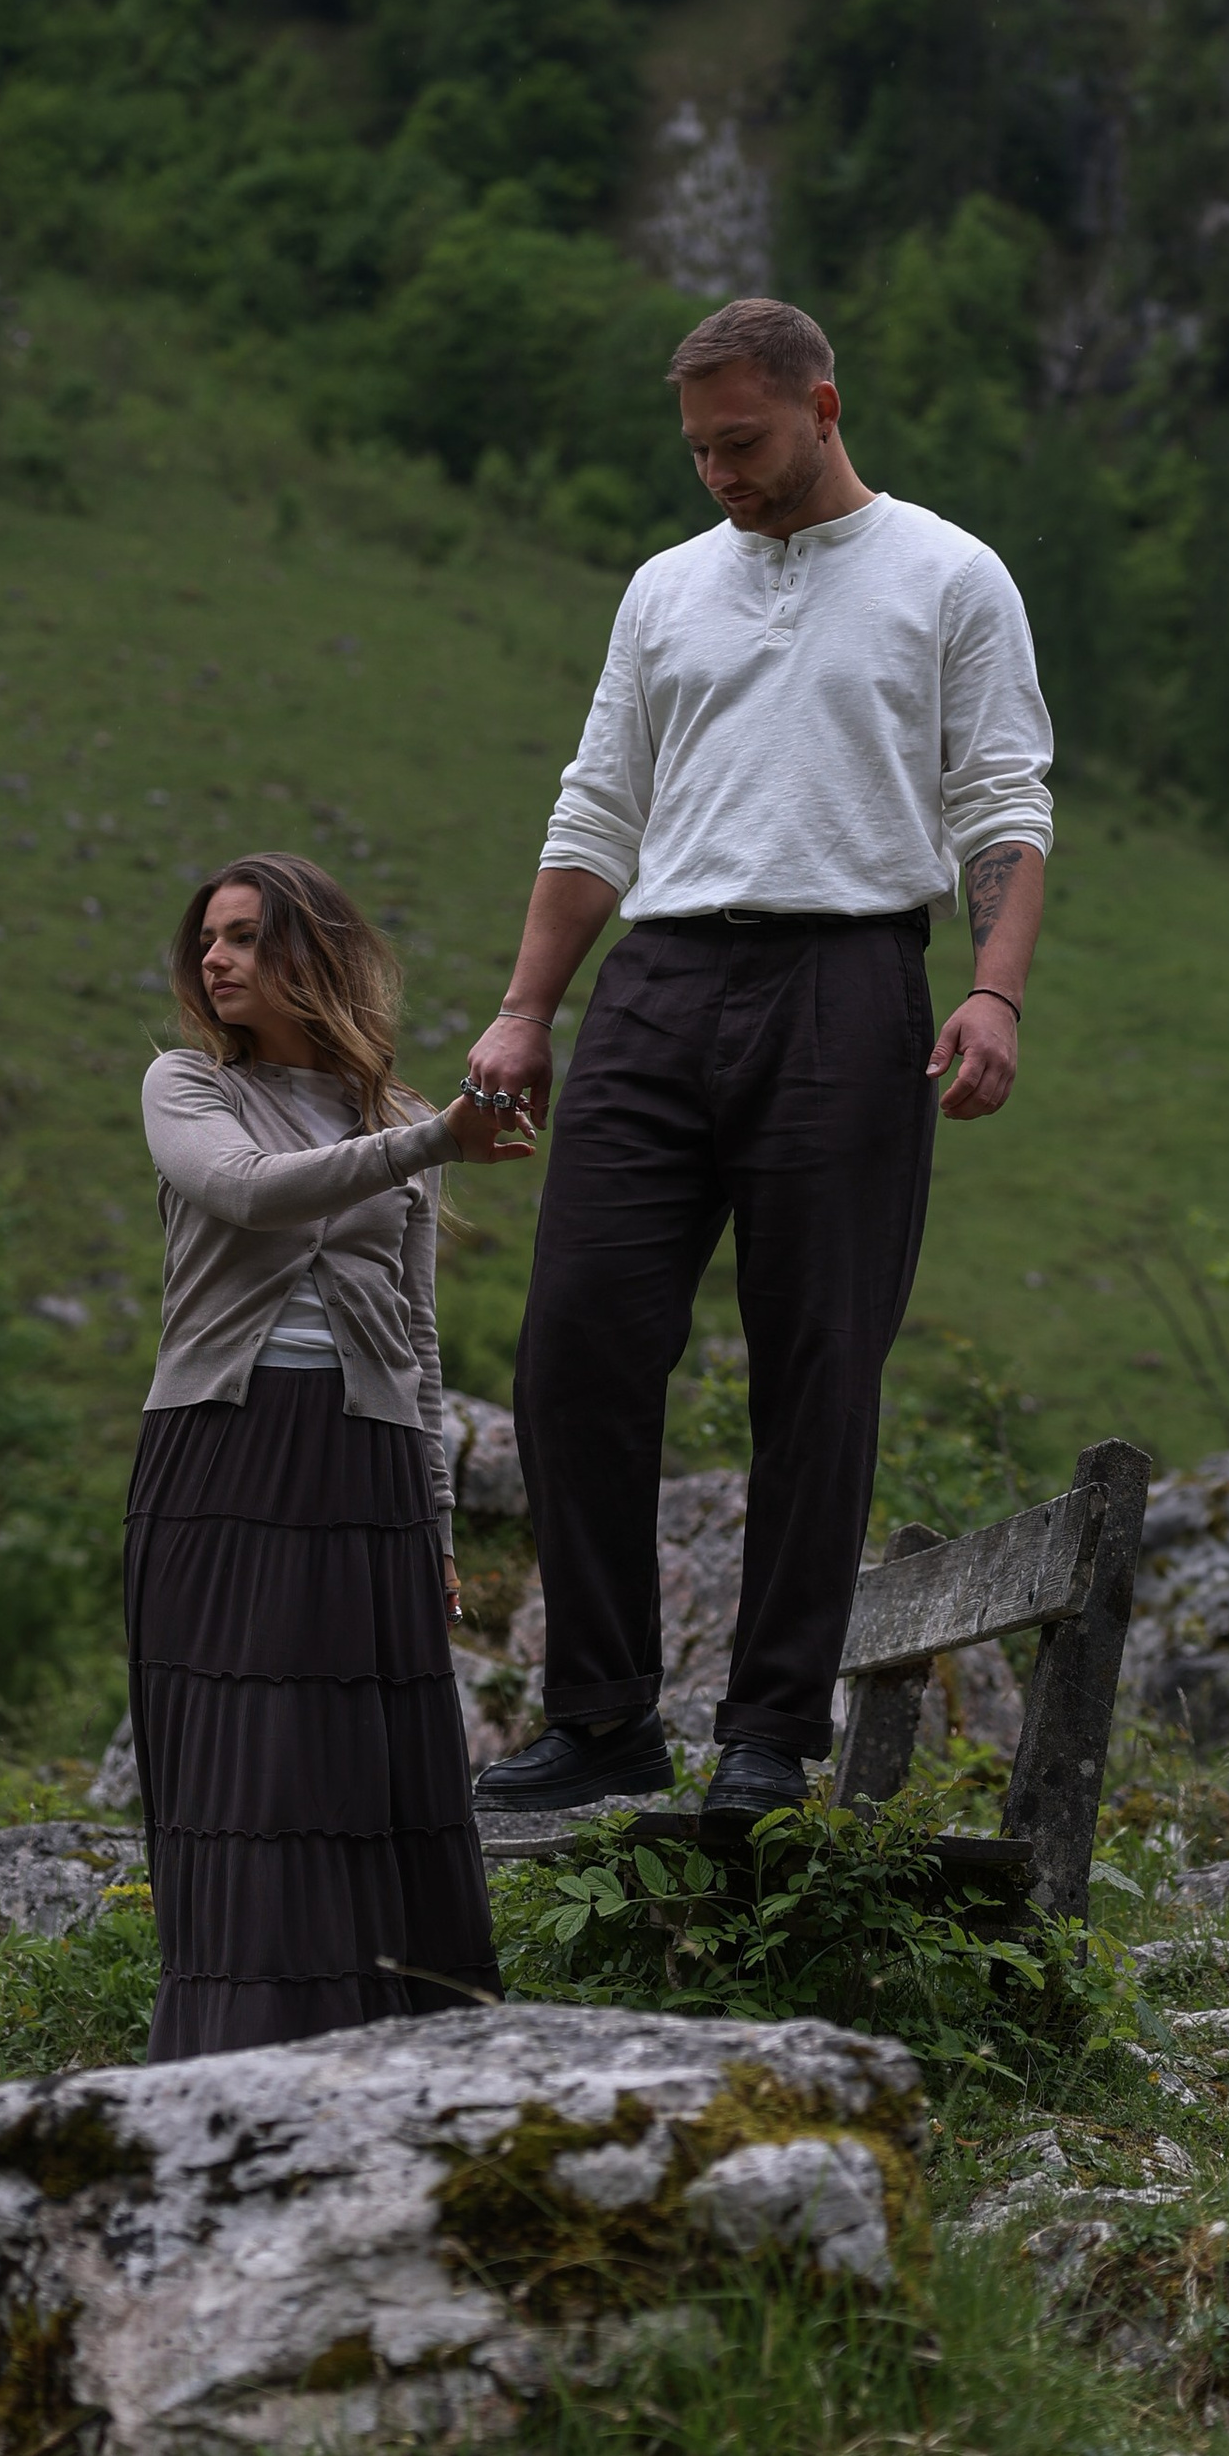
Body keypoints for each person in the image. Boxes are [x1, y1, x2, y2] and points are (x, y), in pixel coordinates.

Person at [470, 295, 1053, 1823]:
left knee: (819, 1364)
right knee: (576, 1341)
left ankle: (769, 1738)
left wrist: (992, 992)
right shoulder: (666, 588)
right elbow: (597, 809)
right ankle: (598, 1719)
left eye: (743, 441)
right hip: (656, 984)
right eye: (699, 450)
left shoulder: (949, 574)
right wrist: (529, 1010)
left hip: (849, 977)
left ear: (823, 408)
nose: (720, 472)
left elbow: (1001, 800)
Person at [127, 850, 526, 2057]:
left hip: (364, 1471)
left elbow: (416, 1337)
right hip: (220, 1457)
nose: (216, 959)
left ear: (313, 954)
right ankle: (229, 2052)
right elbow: (247, 1195)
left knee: (366, 1768)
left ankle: (398, 2046)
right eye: (210, 939)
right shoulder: (185, 1088)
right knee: (243, 1768)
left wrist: (438, 1523)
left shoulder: (397, 1121)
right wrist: (433, 1147)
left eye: (246, 937)